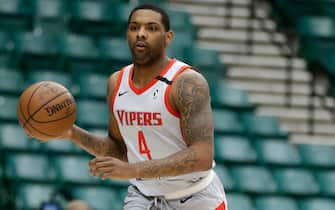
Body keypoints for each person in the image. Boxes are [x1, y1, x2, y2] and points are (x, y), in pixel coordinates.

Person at [34, 4, 227, 210]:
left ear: (168, 37)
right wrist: (72, 133)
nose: (141, 34)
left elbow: (202, 156)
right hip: (144, 197)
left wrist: (132, 170)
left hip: (195, 197)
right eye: (134, 27)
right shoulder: (117, 82)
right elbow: (120, 149)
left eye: (151, 28)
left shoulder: (186, 83)